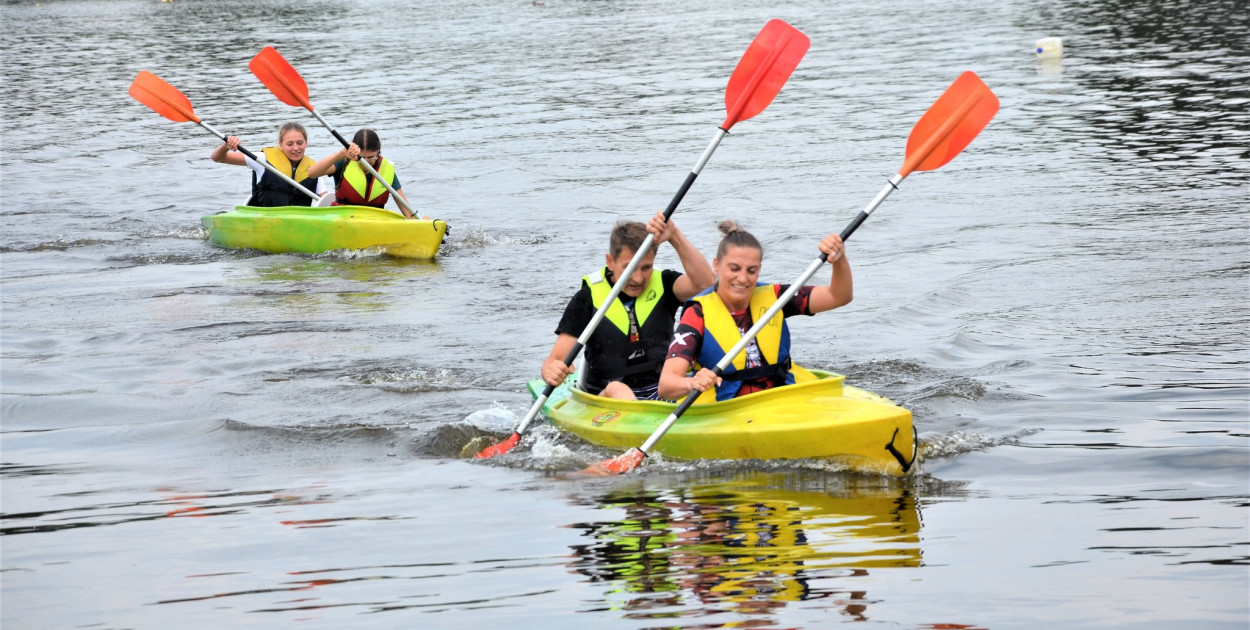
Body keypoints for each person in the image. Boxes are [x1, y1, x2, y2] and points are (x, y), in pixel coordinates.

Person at [658, 220, 852, 403]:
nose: (742, 278)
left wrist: (839, 260)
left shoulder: (777, 297)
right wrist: (691, 382)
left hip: (781, 397)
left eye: (751, 270)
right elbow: (666, 385)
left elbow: (838, 296)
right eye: (734, 268)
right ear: (716, 265)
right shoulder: (698, 313)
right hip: (726, 406)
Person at [543, 212, 716, 400]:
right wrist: (552, 369)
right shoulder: (588, 298)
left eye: (646, 267)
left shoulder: (665, 283)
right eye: (629, 267)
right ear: (610, 262)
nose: (638, 278)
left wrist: (674, 236)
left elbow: (705, 285)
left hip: (662, 388)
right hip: (607, 396)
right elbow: (555, 360)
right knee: (618, 389)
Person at [210, 122, 326, 207]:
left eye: (300, 143)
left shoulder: (313, 169)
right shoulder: (263, 160)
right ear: (280, 144)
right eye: (289, 144)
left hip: (297, 222)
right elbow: (218, 158)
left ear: (306, 142)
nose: (296, 148)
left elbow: (325, 199)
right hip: (264, 219)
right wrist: (225, 147)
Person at [307, 129, 416, 219]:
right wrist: (340, 154)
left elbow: (407, 211)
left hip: (374, 223)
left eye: (371, 157)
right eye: (361, 157)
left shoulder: (387, 170)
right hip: (344, 222)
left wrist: (421, 223)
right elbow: (312, 173)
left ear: (378, 151)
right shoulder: (343, 162)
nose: (366, 162)